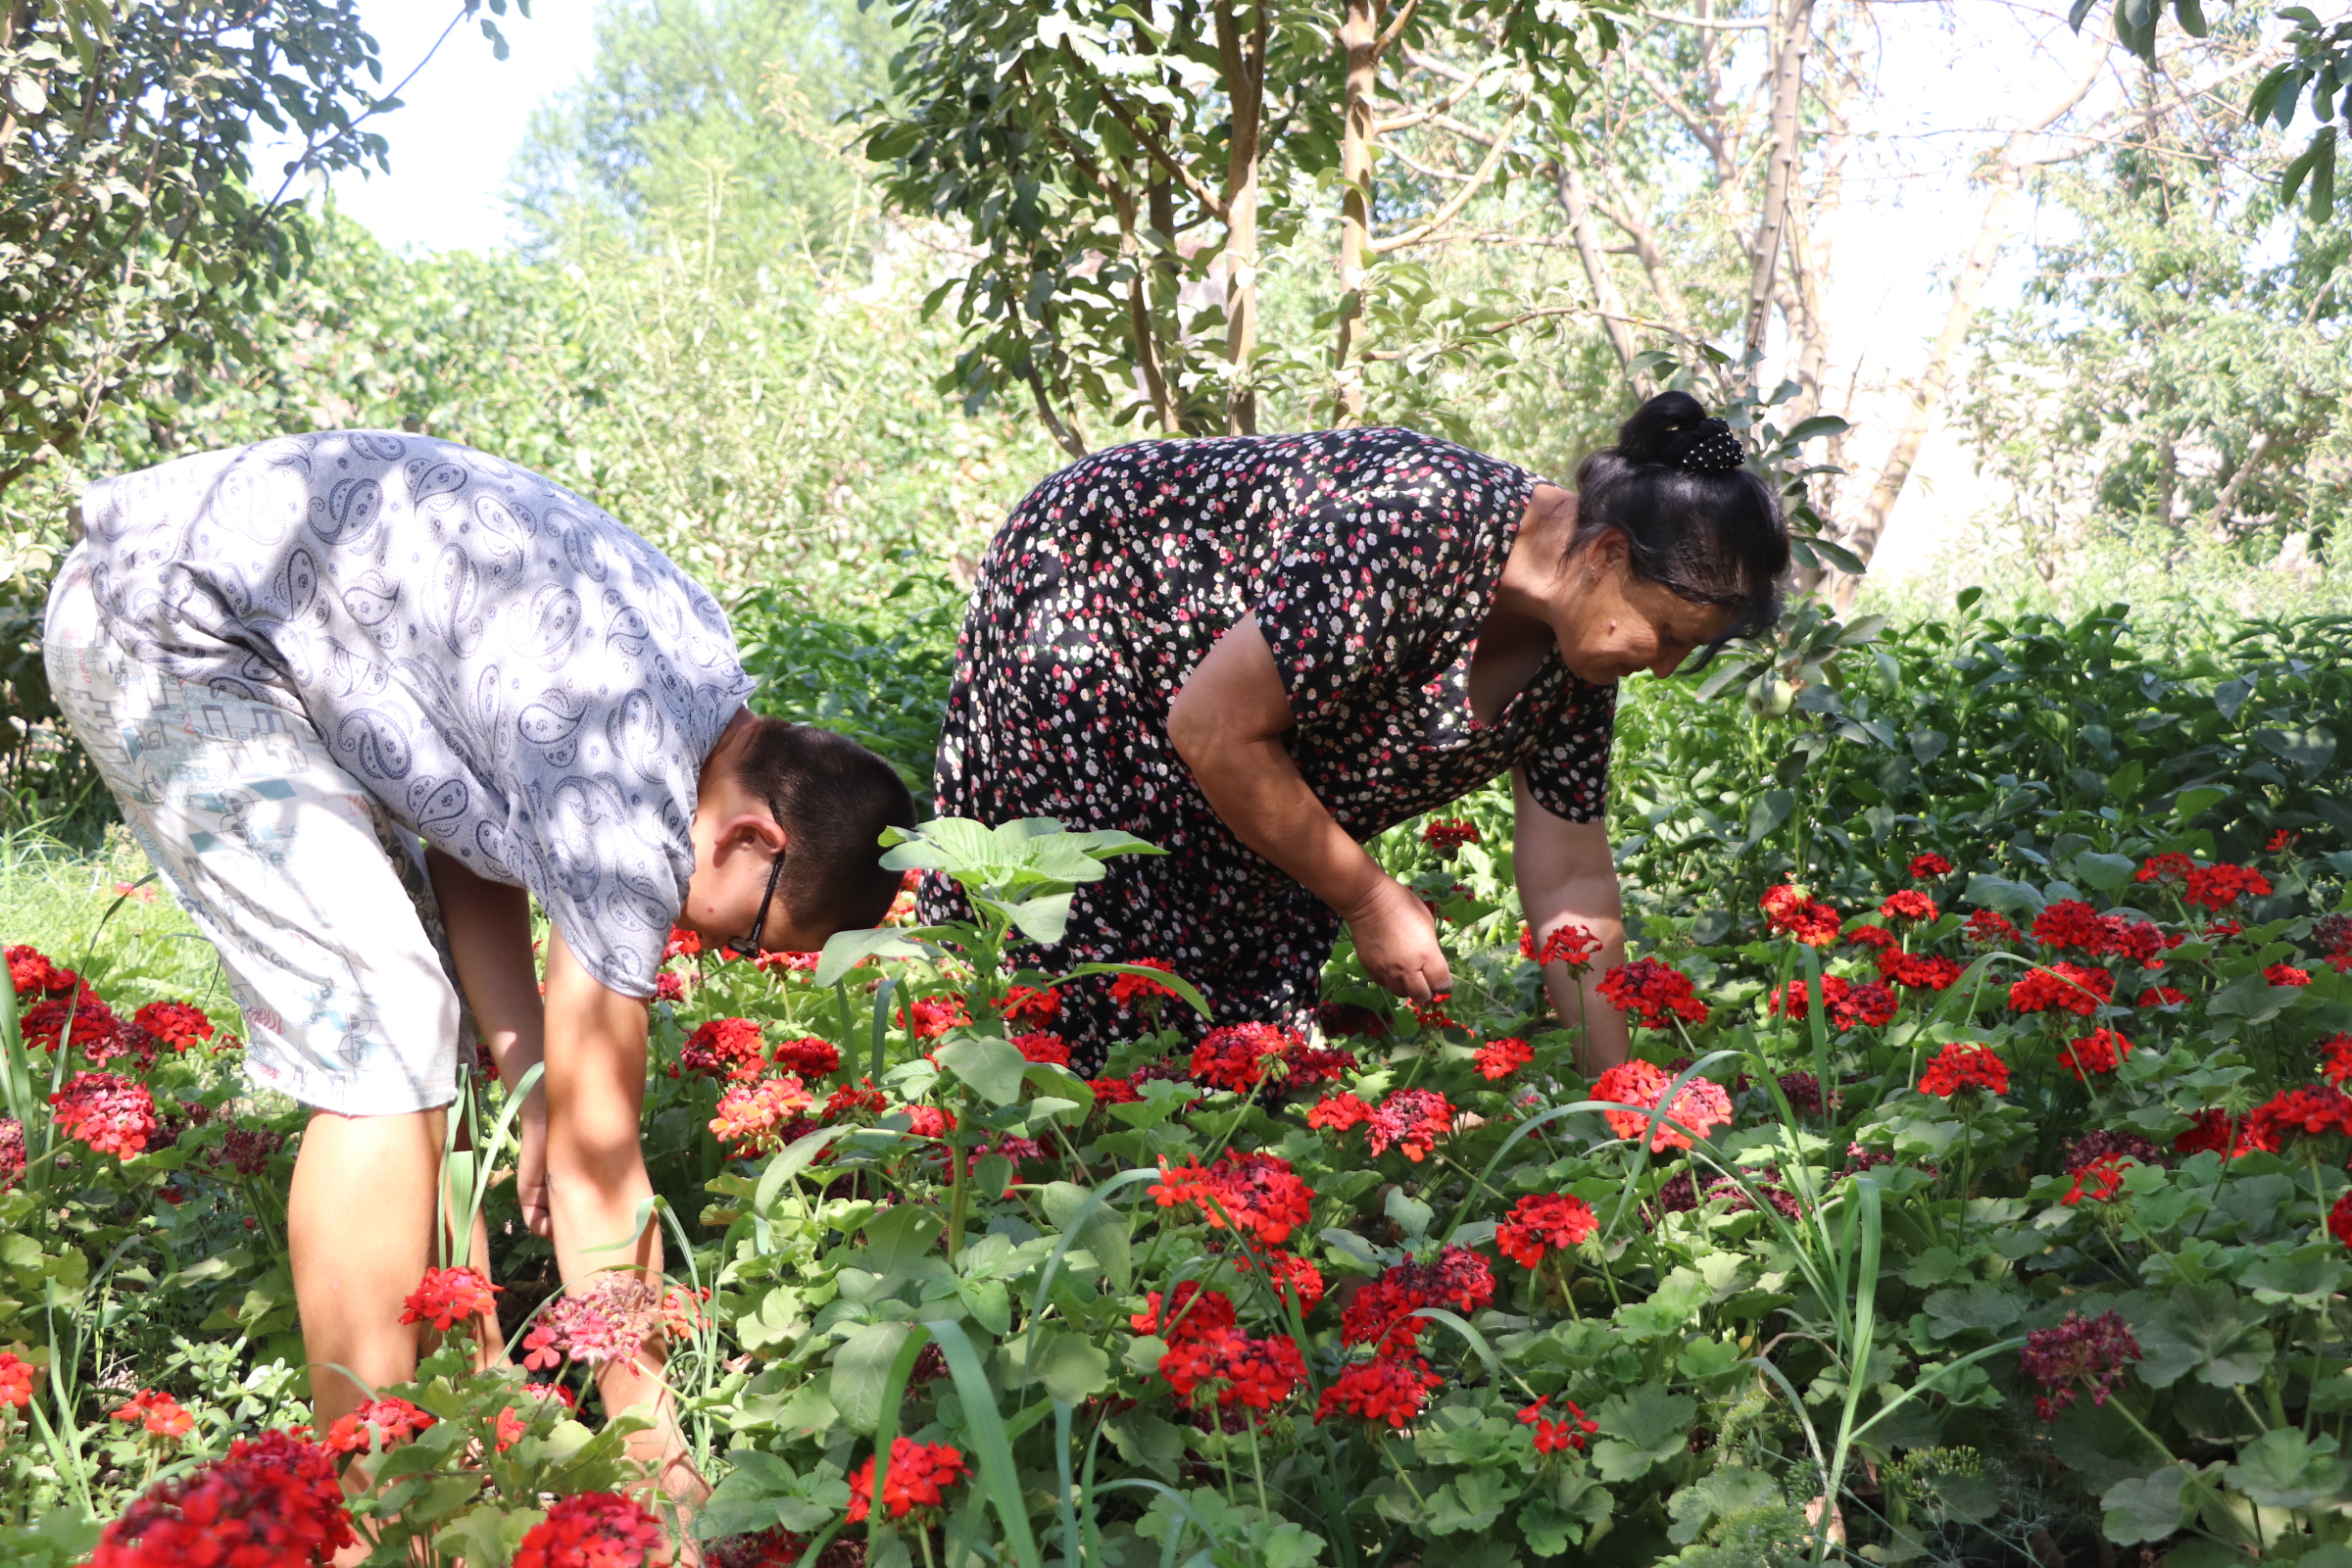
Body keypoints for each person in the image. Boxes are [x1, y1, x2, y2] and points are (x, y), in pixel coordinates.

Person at [44, 430, 915, 1506]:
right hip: (167, 626)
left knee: (428, 1023)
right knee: (387, 1024)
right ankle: (372, 1494)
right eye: (747, 935)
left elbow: (475, 828)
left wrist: (529, 1071)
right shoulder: (631, 797)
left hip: (206, 598)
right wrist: (657, 1448)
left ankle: (454, 1406)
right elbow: (603, 1164)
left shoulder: (689, 670)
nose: (713, 947)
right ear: (752, 840)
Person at [919, 390, 1787, 1075]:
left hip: (1222, 711)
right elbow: (1217, 727)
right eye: (1666, 633)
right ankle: (1031, 1178)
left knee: (1242, 1001)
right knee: (1086, 926)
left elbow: (1571, 874)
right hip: (1098, 587)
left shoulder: (1579, 659)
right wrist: (1371, 898)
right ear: (1603, 555)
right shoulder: (1418, 528)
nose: (1665, 666)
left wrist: (1619, 1100)